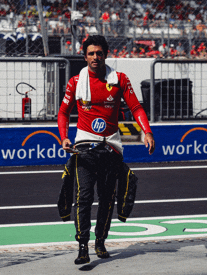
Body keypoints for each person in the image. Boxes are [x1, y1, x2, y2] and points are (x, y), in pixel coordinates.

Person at [57, 35, 155, 265]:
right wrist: (64, 138)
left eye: (99, 53)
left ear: (105, 55)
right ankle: (82, 246)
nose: (95, 57)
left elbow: (136, 107)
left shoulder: (119, 79)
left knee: (107, 199)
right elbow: (63, 113)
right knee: (83, 197)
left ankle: (100, 240)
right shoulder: (75, 82)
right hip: (83, 148)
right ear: (84, 57)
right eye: (91, 53)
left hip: (111, 146)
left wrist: (147, 132)